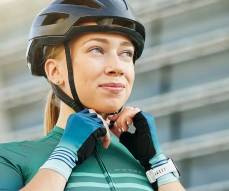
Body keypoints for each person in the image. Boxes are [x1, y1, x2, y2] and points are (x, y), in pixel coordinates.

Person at [0, 0, 185, 190]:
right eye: (96, 49)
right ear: (55, 71)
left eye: (126, 53)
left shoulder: (145, 165)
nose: (117, 67)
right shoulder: (11, 157)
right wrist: (65, 154)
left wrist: (158, 164)